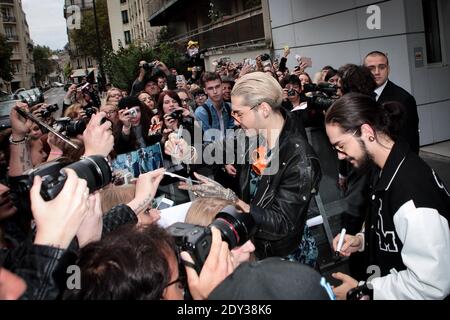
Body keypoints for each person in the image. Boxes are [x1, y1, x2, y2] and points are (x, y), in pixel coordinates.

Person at [167, 72, 321, 263]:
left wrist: (232, 200)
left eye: (239, 113)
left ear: (263, 109)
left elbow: (281, 224)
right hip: (258, 247)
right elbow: (217, 150)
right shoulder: (251, 137)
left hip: (288, 257)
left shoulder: (300, 158)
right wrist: (186, 151)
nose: (235, 119)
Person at [325, 93, 450, 300]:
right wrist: (362, 240)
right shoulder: (386, 168)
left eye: (341, 145)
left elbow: (432, 284)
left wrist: (364, 291)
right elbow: (396, 229)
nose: (339, 155)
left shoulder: (411, 192)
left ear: (366, 131)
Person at [364, 51, 420, 153]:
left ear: (388, 69)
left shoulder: (404, 98)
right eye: (371, 68)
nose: (377, 72)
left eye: (382, 67)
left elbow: (411, 139)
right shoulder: (360, 95)